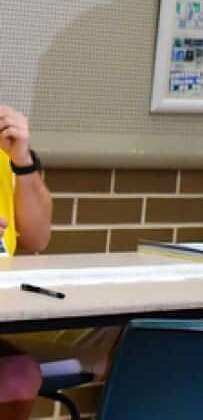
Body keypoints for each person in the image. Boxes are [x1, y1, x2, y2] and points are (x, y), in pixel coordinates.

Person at [0, 105, 52, 420]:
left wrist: (22, 160)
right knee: (15, 376)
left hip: (9, 307)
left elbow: (36, 239)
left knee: (118, 338)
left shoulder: (9, 148)